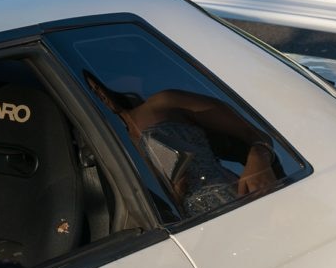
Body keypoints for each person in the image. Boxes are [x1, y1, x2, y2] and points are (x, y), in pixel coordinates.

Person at [84, 72, 277, 218]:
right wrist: (175, 193)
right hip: (194, 227)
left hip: (241, 196)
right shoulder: (109, 147)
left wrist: (258, 159)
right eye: (90, 90)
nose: (98, 94)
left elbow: (255, 131)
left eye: (97, 86)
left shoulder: (164, 103)